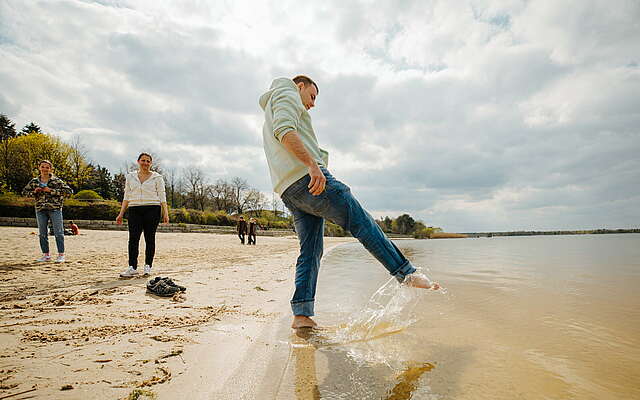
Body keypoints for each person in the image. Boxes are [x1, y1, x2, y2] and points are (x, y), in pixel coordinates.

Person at [259, 75, 440, 329]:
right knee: (361, 221)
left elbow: (283, 130)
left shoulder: (272, 106)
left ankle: (301, 314)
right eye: (312, 96)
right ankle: (406, 273)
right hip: (307, 178)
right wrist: (313, 165)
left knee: (310, 251)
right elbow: (285, 130)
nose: (312, 104)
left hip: (288, 190)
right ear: (299, 86)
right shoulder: (286, 93)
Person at [116, 153, 169, 277]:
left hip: (152, 209)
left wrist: (165, 213)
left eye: (148, 161)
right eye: (143, 160)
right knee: (133, 239)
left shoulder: (157, 177)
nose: (145, 163)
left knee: (149, 238)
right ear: (138, 161)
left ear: (151, 163)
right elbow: (126, 196)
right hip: (134, 209)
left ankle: (147, 266)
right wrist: (121, 213)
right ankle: (132, 267)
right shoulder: (130, 177)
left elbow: (162, 196)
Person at [22, 160, 73, 263]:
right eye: (42, 167)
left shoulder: (57, 181)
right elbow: (24, 193)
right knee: (42, 233)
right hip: (40, 209)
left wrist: (51, 191)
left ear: (50, 169)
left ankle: (61, 255)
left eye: (47, 167)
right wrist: (34, 192)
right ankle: (46, 255)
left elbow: (69, 192)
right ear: (39, 168)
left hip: (55, 209)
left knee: (59, 232)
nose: (45, 169)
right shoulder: (34, 181)